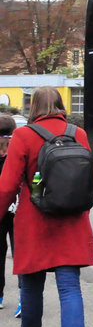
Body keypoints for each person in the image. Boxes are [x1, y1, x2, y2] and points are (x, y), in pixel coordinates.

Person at [0, 87, 93, 327]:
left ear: (33, 107)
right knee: (69, 288)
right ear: (61, 104)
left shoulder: (24, 135)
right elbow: (87, 179)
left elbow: (7, 185)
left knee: (31, 288)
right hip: (71, 221)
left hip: (35, 222)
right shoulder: (78, 134)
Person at [0, 114, 15, 312]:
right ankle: (24, 296)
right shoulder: (17, 149)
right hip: (18, 208)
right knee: (20, 253)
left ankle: (0, 295)